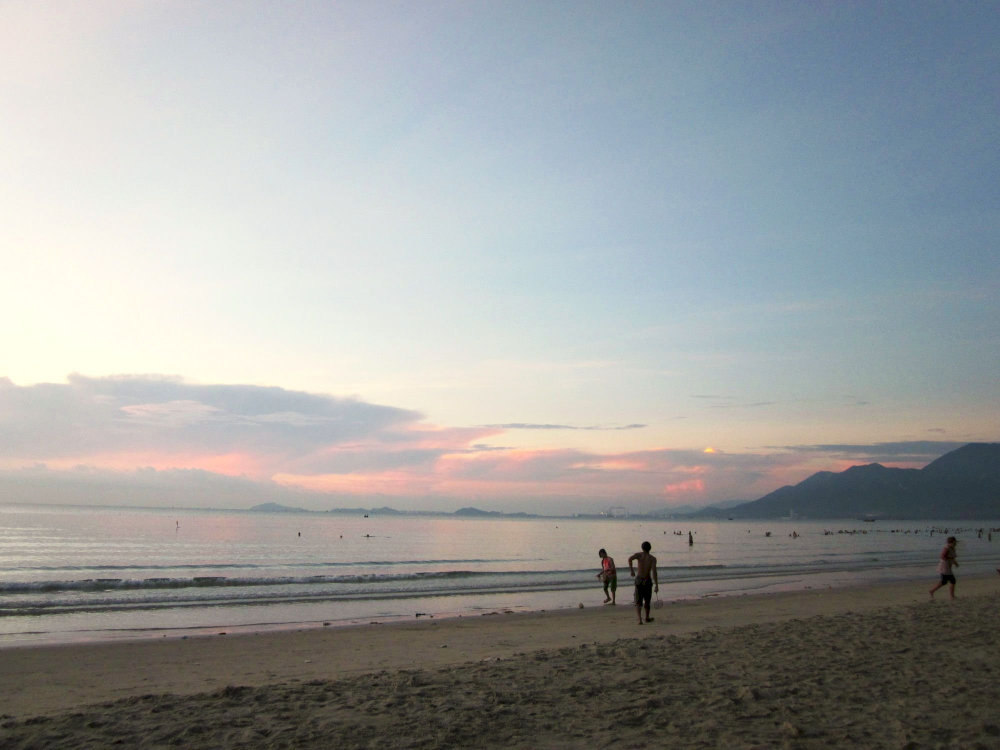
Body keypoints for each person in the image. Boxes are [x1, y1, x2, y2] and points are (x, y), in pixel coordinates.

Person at [628, 541, 658, 624]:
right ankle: (647, 617)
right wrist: (656, 585)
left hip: (639, 580)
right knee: (647, 600)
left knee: (638, 600)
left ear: (642, 548)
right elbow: (654, 572)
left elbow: (630, 559)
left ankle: (640, 620)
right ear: (650, 548)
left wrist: (632, 570)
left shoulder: (639, 555)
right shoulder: (652, 558)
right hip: (647, 580)